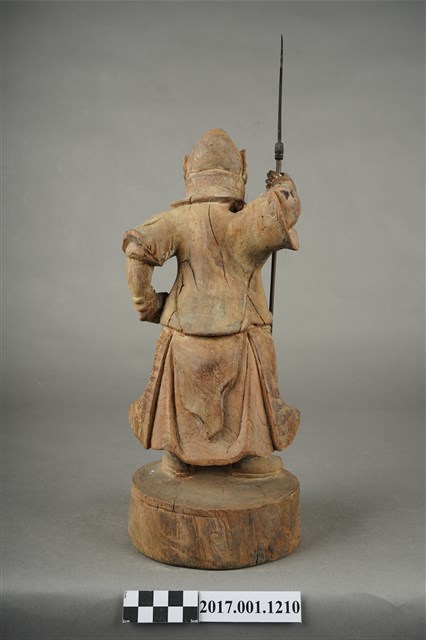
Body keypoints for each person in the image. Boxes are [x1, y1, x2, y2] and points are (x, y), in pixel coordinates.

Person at [122, 129, 301, 467]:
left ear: (186, 169)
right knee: (257, 372)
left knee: (175, 429)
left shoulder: (177, 220)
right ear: (242, 170)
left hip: (182, 338)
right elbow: (286, 209)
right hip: (242, 338)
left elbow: (137, 248)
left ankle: (178, 457)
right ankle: (250, 456)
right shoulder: (244, 220)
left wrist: (148, 305)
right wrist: (283, 186)